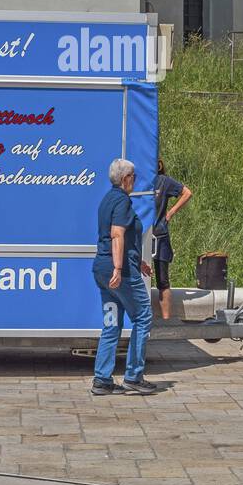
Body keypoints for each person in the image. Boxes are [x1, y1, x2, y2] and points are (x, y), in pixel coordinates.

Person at [91, 158, 156, 396]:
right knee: (142, 316)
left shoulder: (106, 200)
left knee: (111, 324)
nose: (135, 181)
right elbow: (117, 235)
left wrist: (138, 262)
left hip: (102, 269)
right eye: (134, 177)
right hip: (120, 272)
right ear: (126, 178)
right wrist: (120, 269)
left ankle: (102, 379)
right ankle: (134, 376)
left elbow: (118, 239)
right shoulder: (123, 202)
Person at [151, 159, 192, 320]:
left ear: (159, 165)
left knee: (162, 280)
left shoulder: (164, 181)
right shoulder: (138, 181)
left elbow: (187, 193)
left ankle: (166, 321)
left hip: (159, 235)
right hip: (141, 236)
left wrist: (171, 212)